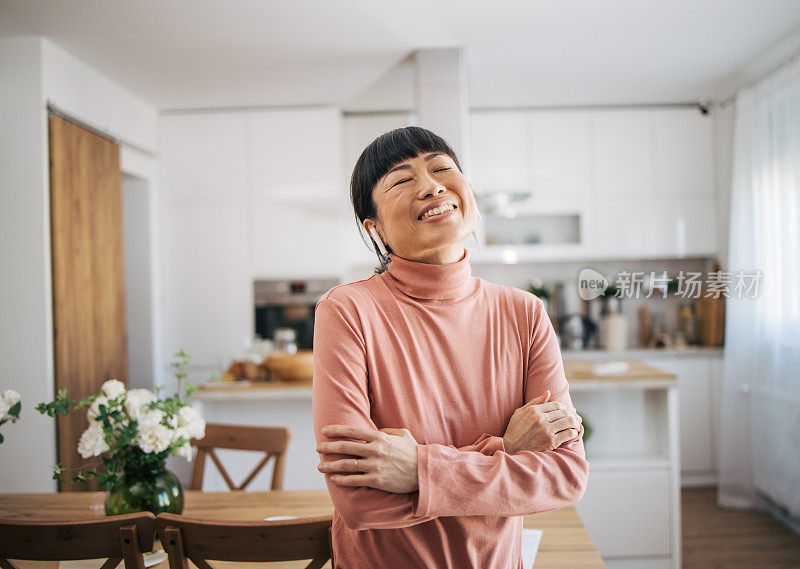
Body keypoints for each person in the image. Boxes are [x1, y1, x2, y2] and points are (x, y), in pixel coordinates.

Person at [313, 126, 587, 568]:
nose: (432, 185)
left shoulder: (524, 312)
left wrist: (416, 469)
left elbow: (564, 476)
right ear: (375, 227)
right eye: (402, 180)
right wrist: (506, 452)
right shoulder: (347, 310)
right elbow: (358, 501)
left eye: (442, 168)